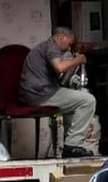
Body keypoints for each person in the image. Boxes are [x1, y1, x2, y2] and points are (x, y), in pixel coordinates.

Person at [19, 25, 98, 159]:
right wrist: (78, 60)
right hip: (41, 94)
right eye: (68, 44)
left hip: (35, 93)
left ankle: (71, 146)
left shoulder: (44, 47)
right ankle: (71, 145)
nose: (68, 48)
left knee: (73, 106)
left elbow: (61, 76)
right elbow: (60, 67)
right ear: (61, 37)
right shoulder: (52, 46)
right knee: (88, 100)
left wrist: (71, 62)